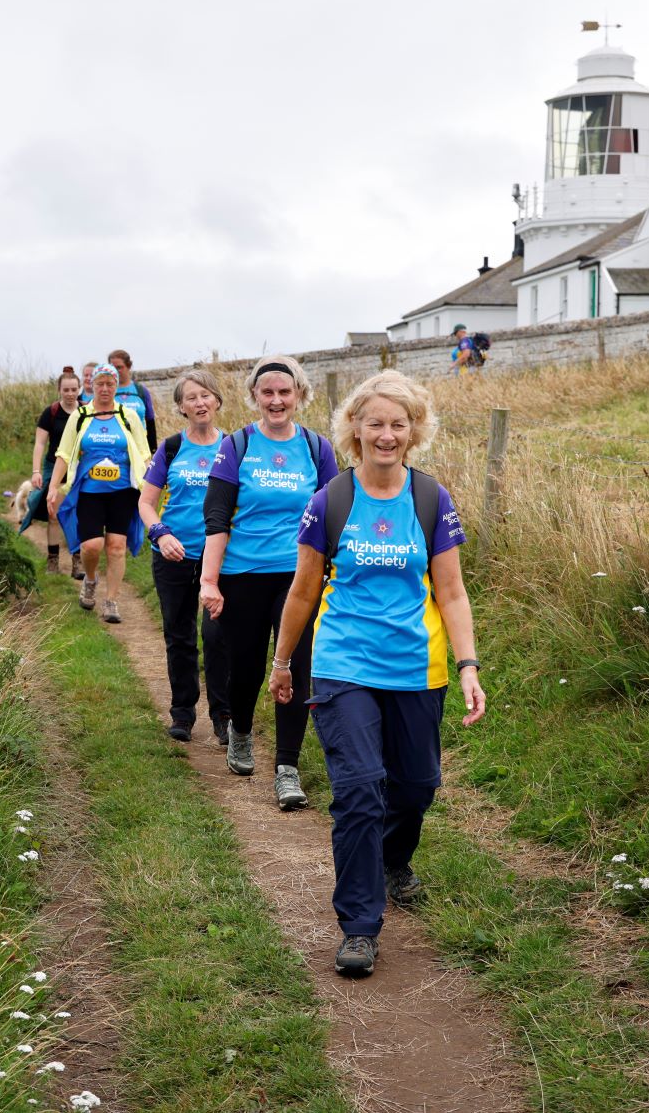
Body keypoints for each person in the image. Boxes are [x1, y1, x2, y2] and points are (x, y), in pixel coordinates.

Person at [268, 369, 486, 978]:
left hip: (419, 667)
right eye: (375, 424)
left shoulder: (430, 499)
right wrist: (283, 663)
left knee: (416, 786)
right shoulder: (330, 501)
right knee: (360, 789)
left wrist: (468, 665)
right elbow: (303, 591)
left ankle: (393, 860)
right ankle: (360, 925)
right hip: (344, 665)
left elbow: (453, 592)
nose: (386, 435)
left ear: (414, 432)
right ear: (354, 430)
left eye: (398, 424)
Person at [199, 355, 338, 810]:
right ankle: (240, 730)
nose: (276, 400)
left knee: (295, 666)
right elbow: (217, 518)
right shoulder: (236, 446)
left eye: (285, 392)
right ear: (255, 397)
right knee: (248, 666)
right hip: (243, 574)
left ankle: (287, 768)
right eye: (268, 392)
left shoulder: (318, 449)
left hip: (299, 576)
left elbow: (333, 517)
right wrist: (210, 580)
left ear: (299, 395)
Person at [138, 369, 232, 745]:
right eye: (191, 397)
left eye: (206, 395)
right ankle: (183, 713)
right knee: (179, 636)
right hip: (174, 556)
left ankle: (224, 716)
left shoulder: (234, 447)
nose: (200, 403)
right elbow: (146, 502)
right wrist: (161, 535)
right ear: (180, 406)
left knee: (219, 637)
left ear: (217, 400)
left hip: (223, 559)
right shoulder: (171, 447)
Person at [48, 361, 151, 625]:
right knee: (91, 546)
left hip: (122, 492)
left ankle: (111, 601)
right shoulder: (80, 416)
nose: (105, 389)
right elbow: (64, 453)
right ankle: (91, 579)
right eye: (100, 383)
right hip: (89, 492)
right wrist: (53, 488)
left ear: (117, 386)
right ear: (91, 386)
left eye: (110, 384)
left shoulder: (128, 416)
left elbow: (143, 454)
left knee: (117, 547)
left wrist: (151, 487)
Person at [23, 368, 83, 575]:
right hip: (54, 467)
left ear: (79, 389)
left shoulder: (85, 411)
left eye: (74, 389)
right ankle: (53, 562)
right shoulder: (51, 413)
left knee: (78, 515)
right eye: (66, 389)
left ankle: (78, 562)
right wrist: (36, 471)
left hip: (78, 469)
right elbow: (40, 443)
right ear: (59, 390)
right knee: (54, 515)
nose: (70, 393)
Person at [106, 349, 159, 446]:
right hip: (114, 446)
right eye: (112, 368)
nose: (115, 371)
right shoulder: (106, 392)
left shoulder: (141, 391)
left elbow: (150, 422)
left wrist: (153, 450)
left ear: (128, 366)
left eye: (119, 367)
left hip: (139, 446)